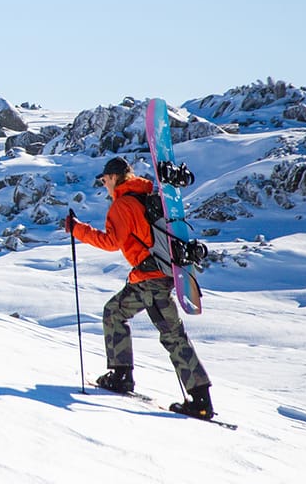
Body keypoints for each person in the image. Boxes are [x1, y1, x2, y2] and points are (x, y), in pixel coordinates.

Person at [64, 156, 215, 419]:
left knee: (172, 335)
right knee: (114, 311)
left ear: (113, 178)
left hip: (151, 280)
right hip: (149, 277)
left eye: (104, 180)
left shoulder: (122, 205)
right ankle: (121, 375)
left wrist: (78, 230)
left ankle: (200, 400)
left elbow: (111, 242)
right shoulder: (146, 195)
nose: (104, 185)